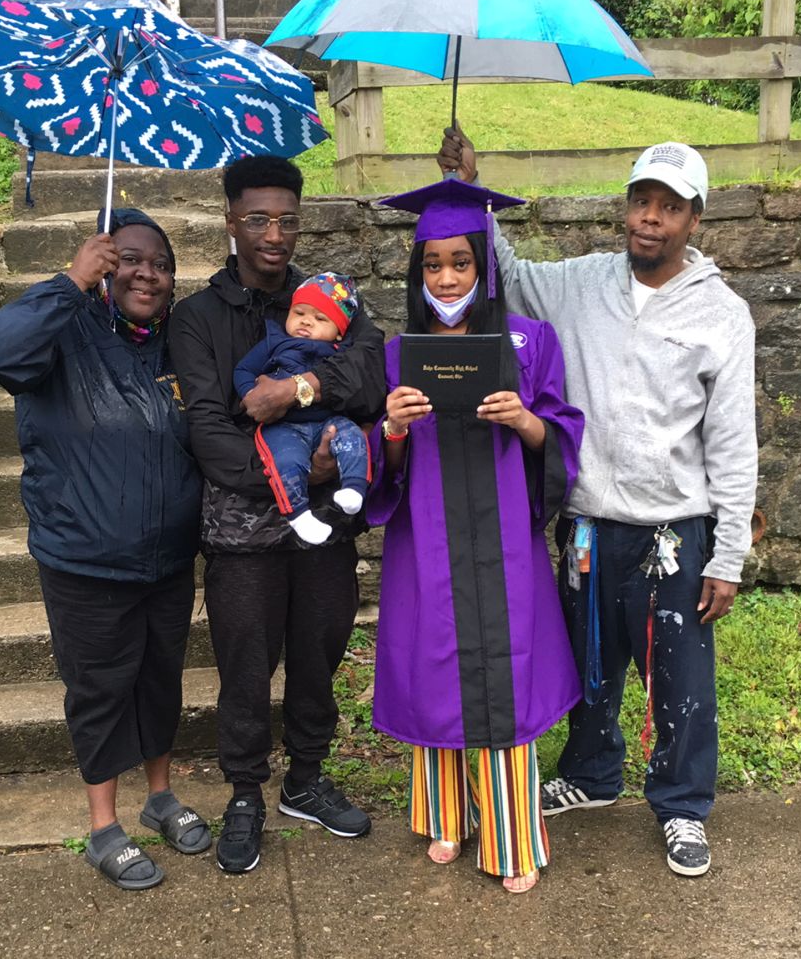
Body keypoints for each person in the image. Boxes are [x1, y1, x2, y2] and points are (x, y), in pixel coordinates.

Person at [438, 130, 758, 878]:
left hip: (670, 532)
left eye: (669, 207)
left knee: (678, 676)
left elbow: (733, 442)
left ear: (695, 219)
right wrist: (472, 191)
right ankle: (591, 772)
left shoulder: (721, 315)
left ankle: (682, 803)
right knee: (589, 663)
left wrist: (728, 556)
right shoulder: (583, 283)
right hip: (586, 524)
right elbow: (509, 277)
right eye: (641, 201)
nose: (651, 218)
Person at [0, 208, 207, 891]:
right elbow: (0, 351)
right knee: (101, 690)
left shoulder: (175, 344)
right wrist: (70, 281)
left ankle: (160, 796)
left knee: (160, 680)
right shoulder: (63, 331)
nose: (147, 274)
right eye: (130, 259)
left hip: (167, 558)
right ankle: (104, 826)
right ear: (104, 264)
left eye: (161, 264)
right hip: (84, 559)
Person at [367, 178, 585, 894]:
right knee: (436, 666)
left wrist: (523, 419)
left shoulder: (529, 342)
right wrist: (392, 428)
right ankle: (446, 815)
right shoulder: (399, 353)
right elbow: (383, 462)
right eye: (432, 264)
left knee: (504, 671)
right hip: (427, 539)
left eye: (461, 262)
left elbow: (561, 438)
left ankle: (511, 835)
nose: (447, 278)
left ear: (485, 265)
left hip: (503, 543)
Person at [168, 156, 385, 875]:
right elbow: (208, 431)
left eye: (287, 220)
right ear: (230, 221)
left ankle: (306, 778)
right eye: (258, 219)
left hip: (323, 530)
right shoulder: (198, 319)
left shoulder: (328, 297)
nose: (274, 234)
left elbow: (371, 376)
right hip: (242, 534)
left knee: (320, 650)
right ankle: (244, 793)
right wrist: (296, 475)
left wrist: (297, 388)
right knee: (245, 665)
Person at [233, 272, 370, 546]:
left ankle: (354, 488)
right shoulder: (275, 342)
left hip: (327, 420)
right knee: (287, 460)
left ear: (339, 331)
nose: (307, 321)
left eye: (320, 318)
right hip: (282, 425)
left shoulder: (343, 352)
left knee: (353, 436)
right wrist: (250, 393)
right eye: (299, 313)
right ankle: (298, 514)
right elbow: (244, 369)